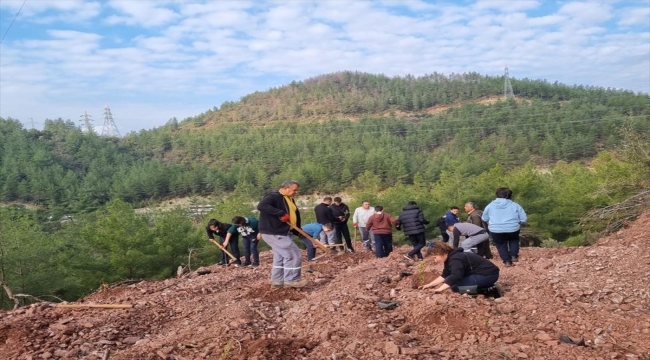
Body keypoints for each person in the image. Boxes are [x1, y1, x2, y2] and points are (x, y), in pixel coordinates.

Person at [257, 180, 308, 288]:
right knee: (293, 255)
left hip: (281, 232)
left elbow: (293, 216)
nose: (296, 192)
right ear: (285, 188)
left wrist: (298, 231)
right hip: (274, 232)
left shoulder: (288, 199)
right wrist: (280, 213)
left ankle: (277, 282)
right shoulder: (274, 196)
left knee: (280, 256)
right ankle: (292, 280)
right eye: (294, 190)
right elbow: (262, 206)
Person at [420, 242, 501, 296]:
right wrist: (428, 285)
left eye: (435, 258)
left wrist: (439, 289)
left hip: (488, 275)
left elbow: (456, 276)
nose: (435, 260)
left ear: (440, 253)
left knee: (454, 287)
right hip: (484, 273)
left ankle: (489, 290)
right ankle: (486, 286)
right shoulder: (450, 257)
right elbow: (445, 275)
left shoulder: (455, 259)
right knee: (449, 281)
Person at [482, 187, 527, 267]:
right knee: (513, 240)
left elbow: (484, 218)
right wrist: (517, 222)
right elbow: (523, 219)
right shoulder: (515, 205)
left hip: (495, 229)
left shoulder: (490, 206)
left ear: (497, 195)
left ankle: (507, 261)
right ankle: (513, 256)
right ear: (510, 195)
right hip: (513, 228)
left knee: (500, 244)